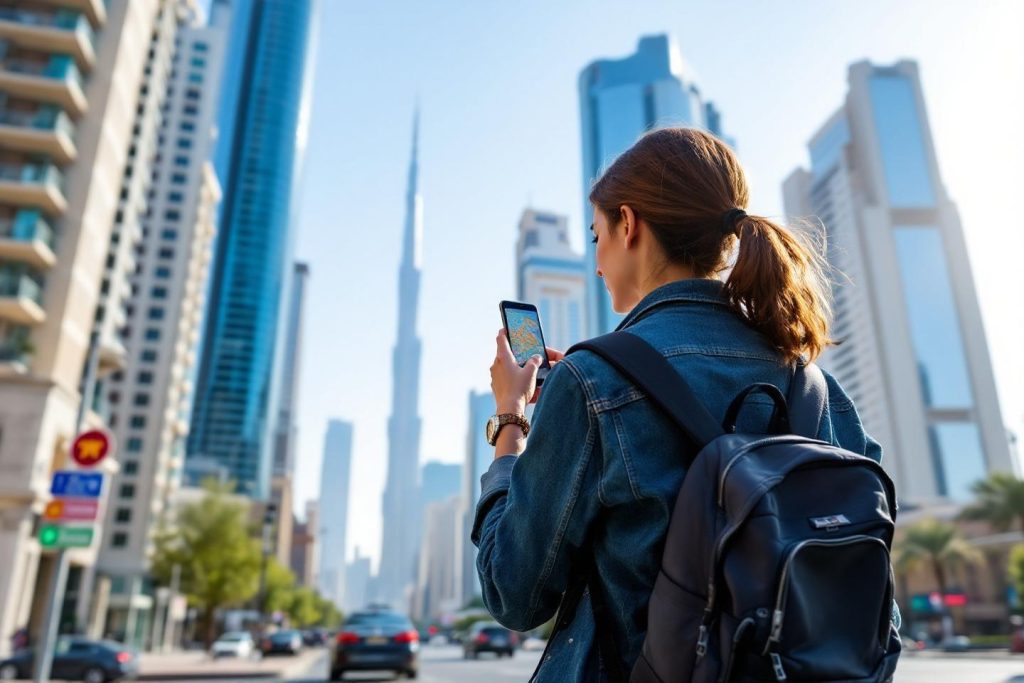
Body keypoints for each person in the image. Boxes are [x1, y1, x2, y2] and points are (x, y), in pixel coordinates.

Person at [473, 127, 884, 682]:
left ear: (629, 223)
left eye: (597, 236)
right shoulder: (812, 382)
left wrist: (512, 422)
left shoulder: (591, 381)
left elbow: (513, 593)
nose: (596, 263)